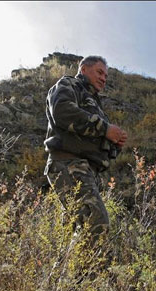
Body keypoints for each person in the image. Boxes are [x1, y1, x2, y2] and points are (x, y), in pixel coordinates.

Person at [44, 55, 127, 240]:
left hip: (86, 170)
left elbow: (96, 142)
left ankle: (67, 269)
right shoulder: (68, 85)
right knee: (96, 224)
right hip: (68, 163)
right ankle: (88, 270)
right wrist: (105, 129)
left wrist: (115, 143)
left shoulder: (95, 103)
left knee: (78, 234)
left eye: (106, 75)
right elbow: (62, 112)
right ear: (83, 69)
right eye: (99, 72)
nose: (103, 78)